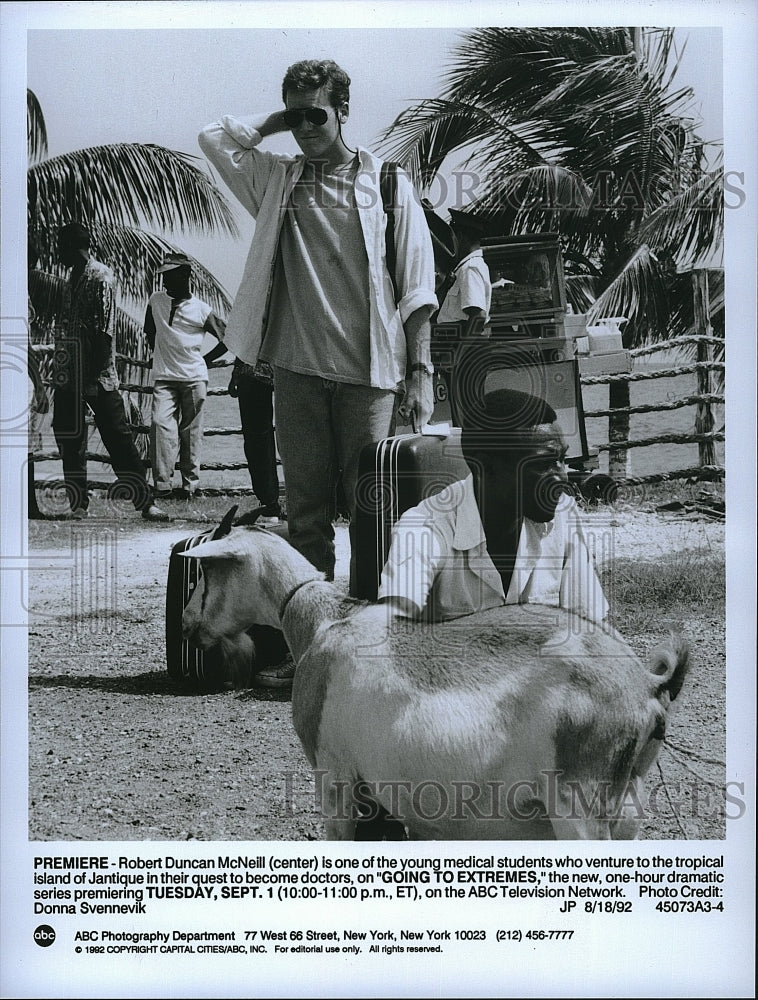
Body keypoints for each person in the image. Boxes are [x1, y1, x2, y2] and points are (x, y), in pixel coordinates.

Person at [199, 58, 437, 685]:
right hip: (297, 372)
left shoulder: (387, 182)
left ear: (344, 112)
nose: (306, 126)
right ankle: (313, 657)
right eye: (295, 114)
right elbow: (213, 139)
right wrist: (281, 118)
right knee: (304, 517)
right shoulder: (277, 181)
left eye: (318, 114)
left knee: (372, 513)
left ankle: (374, 652)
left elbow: (417, 286)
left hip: (369, 373)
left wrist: (422, 368)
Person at [379, 387, 609, 624]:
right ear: (484, 466)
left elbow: (590, 628)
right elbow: (389, 630)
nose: (561, 477)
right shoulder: (423, 528)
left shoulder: (563, 512)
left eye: (562, 460)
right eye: (543, 463)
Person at [51, 222, 168, 521]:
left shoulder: (101, 277)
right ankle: (78, 503)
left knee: (117, 437)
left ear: (72, 247)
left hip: (98, 375)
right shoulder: (70, 278)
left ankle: (145, 501)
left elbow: (104, 332)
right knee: (68, 436)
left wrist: (90, 377)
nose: (57, 254)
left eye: (61, 248)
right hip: (68, 371)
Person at [144, 252, 228, 499]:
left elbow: (227, 338)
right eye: (164, 276)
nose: (165, 281)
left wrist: (206, 360)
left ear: (185, 275)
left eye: (170, 275)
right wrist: (160, 353)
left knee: (191, 433)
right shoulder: (155, 301)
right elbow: (150, 331)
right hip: (165, 377)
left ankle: (189, 487)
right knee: (160, 425)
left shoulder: (202, 309)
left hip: (193, 377)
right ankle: (162, 486)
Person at [227, 357, 281, 525]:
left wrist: (237, 372)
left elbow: (245, 337)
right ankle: (310, 503)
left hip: (252, 368)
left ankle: (269, 503)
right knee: (303, 437)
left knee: (257, 440)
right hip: (291, 363)